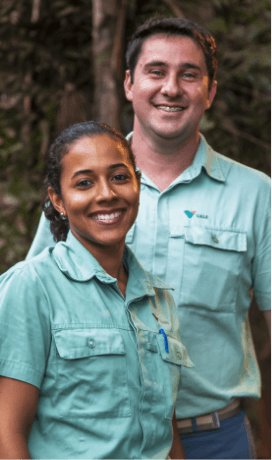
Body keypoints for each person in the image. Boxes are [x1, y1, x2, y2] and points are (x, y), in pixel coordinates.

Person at [25, 17, 271, 459]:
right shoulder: (81, 194)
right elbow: (32, 315)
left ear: (210, 91)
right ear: (129, 83)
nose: (171, 88)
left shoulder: (256, 194)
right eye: (156, 71)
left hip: (216, 436)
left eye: (189, 74)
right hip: (95, 440)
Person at [0, 121, 191, 459]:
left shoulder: (159, 298)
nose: (106, 194)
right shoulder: (32, 286)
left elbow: (165, 428)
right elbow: (6, 432)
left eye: (119, 177)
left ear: (138, 186)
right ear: (58, 199)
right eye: (84, 183)